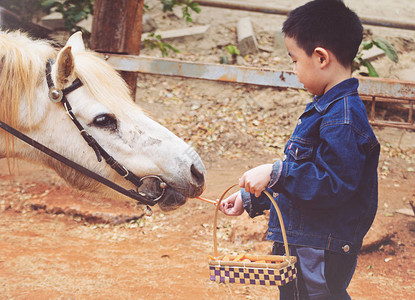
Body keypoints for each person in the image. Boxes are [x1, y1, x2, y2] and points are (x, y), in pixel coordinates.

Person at [218, 0, 380, 299]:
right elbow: (306, 187)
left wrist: (276, 172)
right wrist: (250, 199)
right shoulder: (326, 110)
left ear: (320, 58)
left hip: (318, 246)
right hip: (306, 240)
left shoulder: (342, 119)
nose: (293, 69)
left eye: (294, 60)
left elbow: (333, 185)